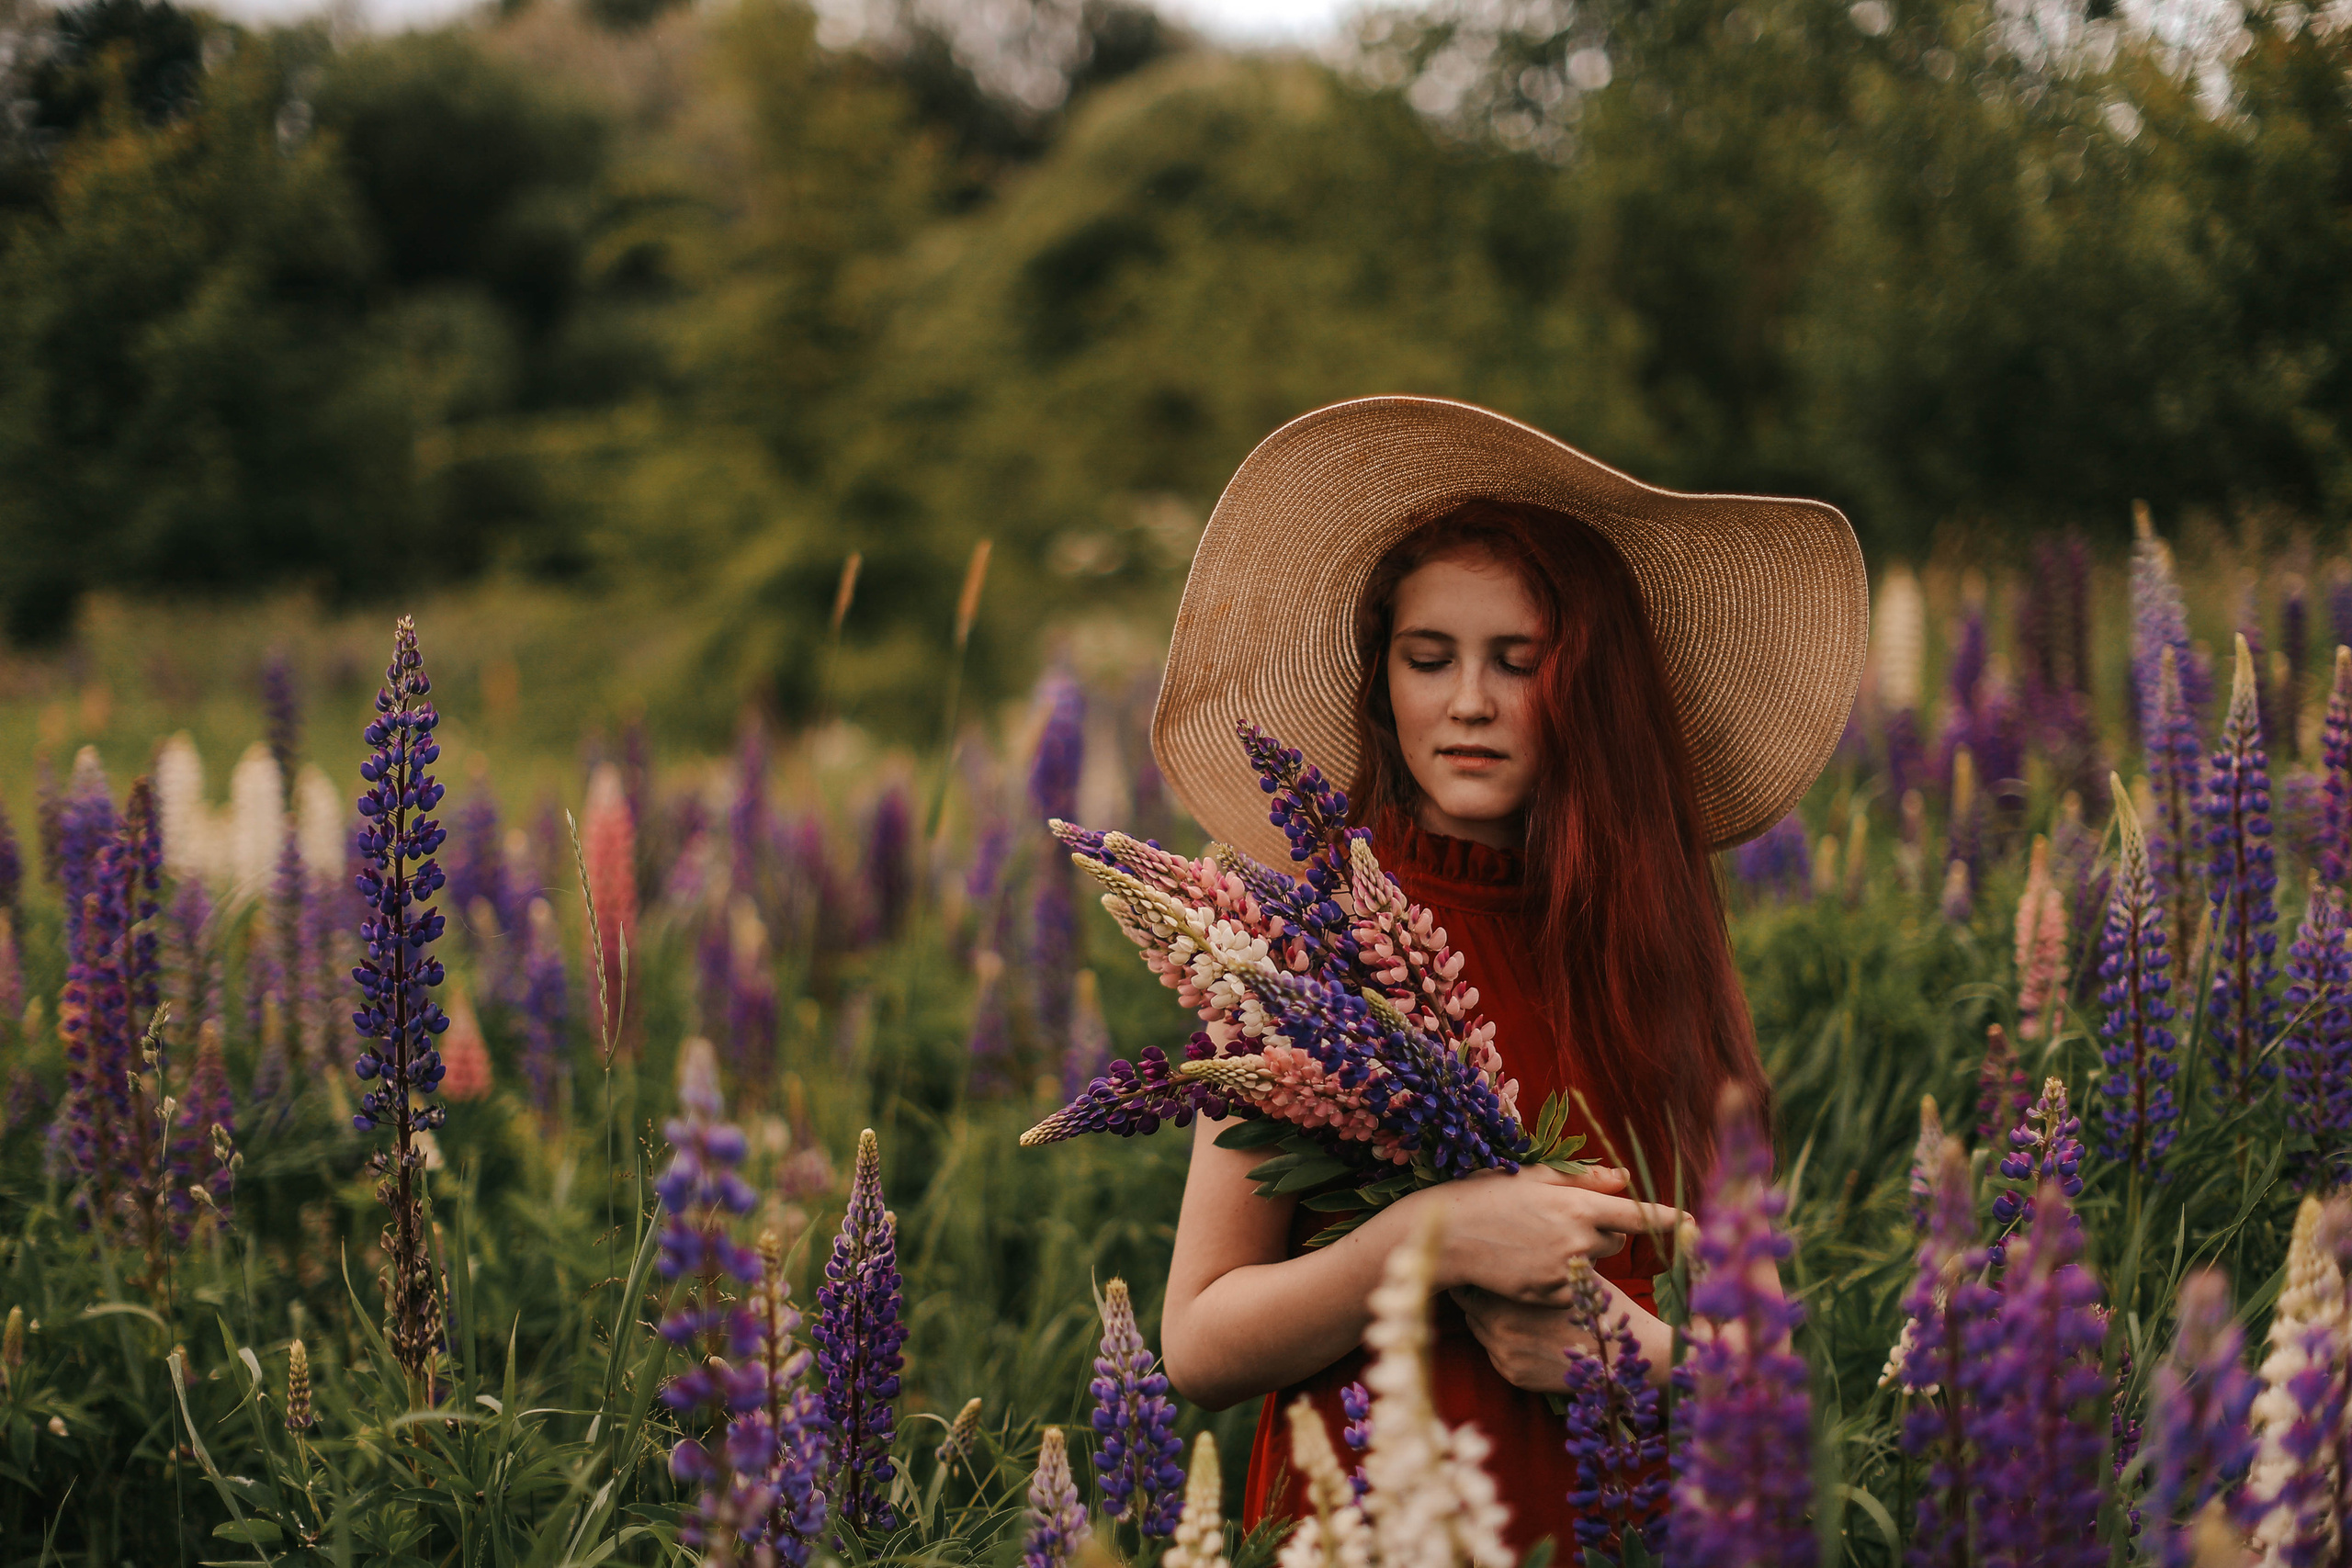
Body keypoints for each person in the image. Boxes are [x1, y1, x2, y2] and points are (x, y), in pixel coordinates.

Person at [1147, 397, 1867, 1552]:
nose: (1467, 702)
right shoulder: (1306, 948)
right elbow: (1198, 1342)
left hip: (1623, 1520)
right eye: (1427, 658)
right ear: (1380, 681)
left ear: (1587, 686)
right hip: (1377, 1520)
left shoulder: (1657, 945)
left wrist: (1647, 1357)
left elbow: (1761, 1333)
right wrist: (1420, 1241)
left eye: (1517, 662)